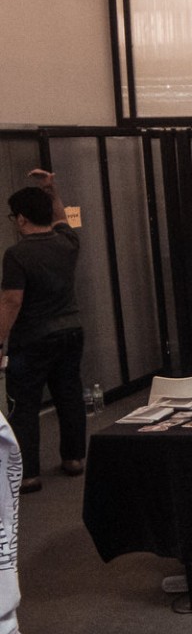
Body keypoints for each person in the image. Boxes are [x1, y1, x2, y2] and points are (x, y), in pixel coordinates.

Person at [1, 170, 84, 493]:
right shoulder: (67, 242)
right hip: (71, 331)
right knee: (69, 396)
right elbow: (61, 217)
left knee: (24, 406)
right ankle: (74, 459)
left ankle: (28, 475)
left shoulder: (17, 254)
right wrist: (51, 189)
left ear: (21, 219)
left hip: (32, 339)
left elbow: (11, 301)